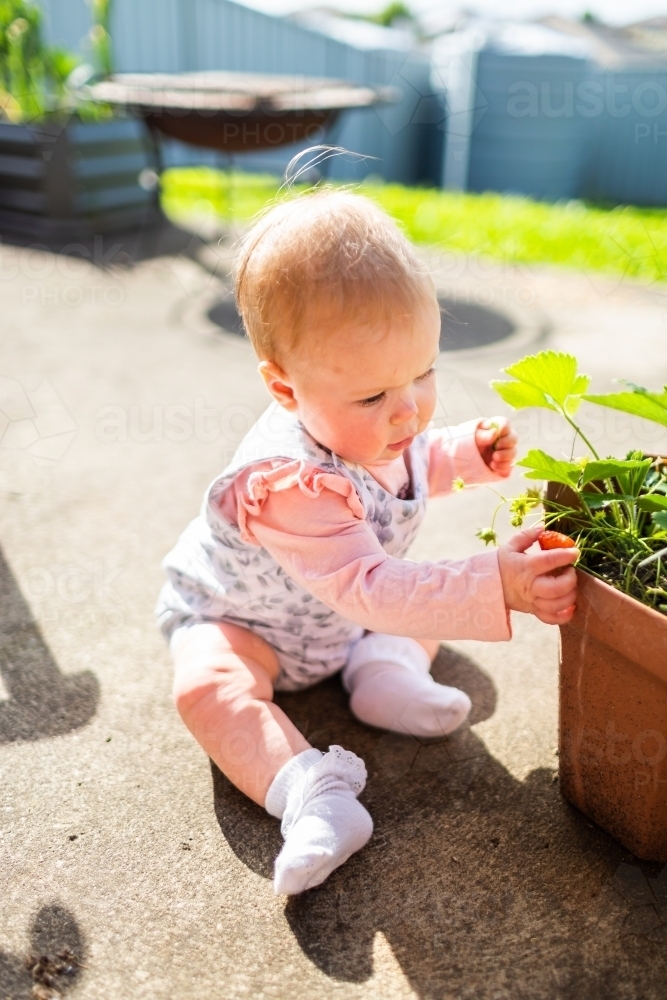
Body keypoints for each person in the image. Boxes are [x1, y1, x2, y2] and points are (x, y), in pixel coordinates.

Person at [156, 190, 578, 896]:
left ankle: (384, 676)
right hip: (245, 624)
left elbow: (405, 465)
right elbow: (372, 588)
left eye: (423, 372)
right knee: (207, 687)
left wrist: (461, 456)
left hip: (347, 622)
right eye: (376, 396)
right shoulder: (289, 484)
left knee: (420, 622)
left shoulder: (370, 421)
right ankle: (310, 796)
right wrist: (493, 583)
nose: (408, 408)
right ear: (285, 390)